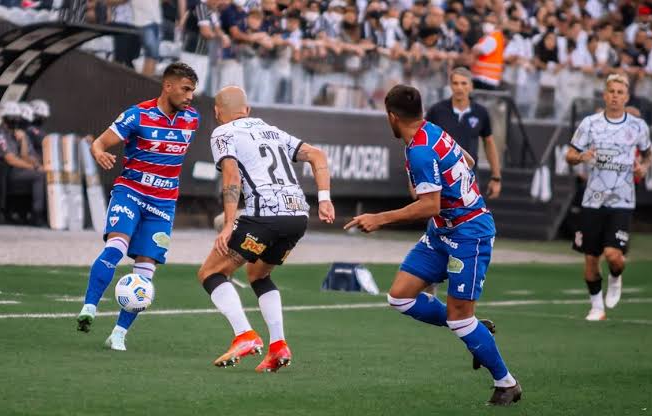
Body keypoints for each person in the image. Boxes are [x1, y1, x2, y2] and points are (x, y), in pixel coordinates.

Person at [344, 85, 521, 406]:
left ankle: (506, 383)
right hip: (441, 233)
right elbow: (466, 159)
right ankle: (477, 331)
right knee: (400, 297)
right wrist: (458, 186)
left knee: (458, 317)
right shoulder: (432, 131)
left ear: (392, 117)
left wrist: (379, 219)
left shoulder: (421, 151)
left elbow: (429, 205)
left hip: (470, 234)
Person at [197, 85, 334, 372]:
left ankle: (245, 335)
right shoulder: (272, 130)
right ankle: (278, 346)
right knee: (258, 274)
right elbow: (318, 155)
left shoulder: (223, 132)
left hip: (265, 216)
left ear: (217, 112)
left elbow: (232, 176)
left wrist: (230, 224)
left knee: (211, 272)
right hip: (297, 216)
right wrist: (324, 199)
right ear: (247, 110)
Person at [76, 63, 200, 350]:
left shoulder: (192, 119)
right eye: (185, 89)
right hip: (130, 192)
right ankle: (89, 308)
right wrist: (98, 152)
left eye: (193, 91)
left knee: (145, 269)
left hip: (164, 204)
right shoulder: (137, 114)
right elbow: (100, 143)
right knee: (116, 247)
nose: (190, 96)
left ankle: (119, 333)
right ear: (167, 86)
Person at [565, 74, 652, 321]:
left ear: (626, 97)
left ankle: (615, 277)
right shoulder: (590, 123)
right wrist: (582, 157)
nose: (615, 96)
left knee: (614, 255)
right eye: (611, 91)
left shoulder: (637, 126)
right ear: (605, 95)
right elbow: (570, 155)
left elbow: (648, 155)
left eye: (620, 92)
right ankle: (597, 307)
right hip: (592, 199)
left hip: (622, 200)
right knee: (591, 259)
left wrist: (644, 168)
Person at [425, 67, 501, 198]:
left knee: (470, 217)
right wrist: (416, 177)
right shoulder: (436, 111)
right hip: (440, 178)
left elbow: (489, 142)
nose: (459, 87)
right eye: (455, 83)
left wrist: (496, 177)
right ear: (450, 86)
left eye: (463, 83)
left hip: (469, 177)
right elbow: (423, 143)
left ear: (471, 86)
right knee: (437, 217)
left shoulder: (481, 112)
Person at [0, 100, 46, 226]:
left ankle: (41, 213)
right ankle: (37, 214)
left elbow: (25, 156)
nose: (15, 120)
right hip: (5, 173)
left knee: (46, 173)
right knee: (40, 175)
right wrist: (33, 167)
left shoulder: (18, 134)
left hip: (21, 171)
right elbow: (10, 159)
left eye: (16, 117)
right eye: (12, 117)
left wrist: (24, 140)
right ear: (4, 118)